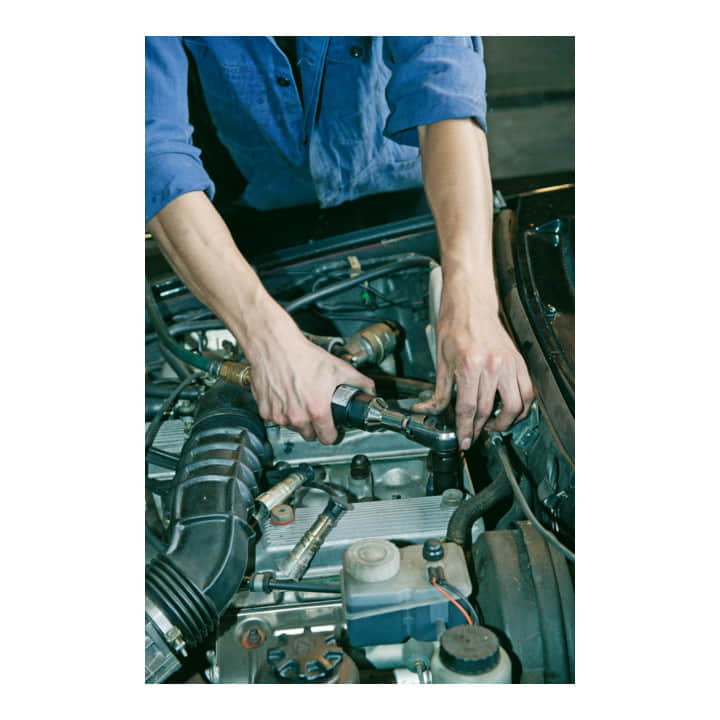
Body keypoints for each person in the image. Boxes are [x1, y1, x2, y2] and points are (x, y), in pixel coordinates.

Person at [145, 36, 534, 451]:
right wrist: (268, 340)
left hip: (401, 195)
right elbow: (151, 151)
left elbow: (443, 79)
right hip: (246, 216)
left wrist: (472, 304)